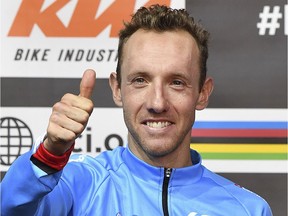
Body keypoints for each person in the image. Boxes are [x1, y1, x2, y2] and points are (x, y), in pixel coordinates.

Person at [1, 4, 272, 216]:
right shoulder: (77, 184)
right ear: (117, 89)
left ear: (202, 93)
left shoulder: (247, 209)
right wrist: (49, 154)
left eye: (176, 82)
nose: (157, 103)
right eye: (140, 80)